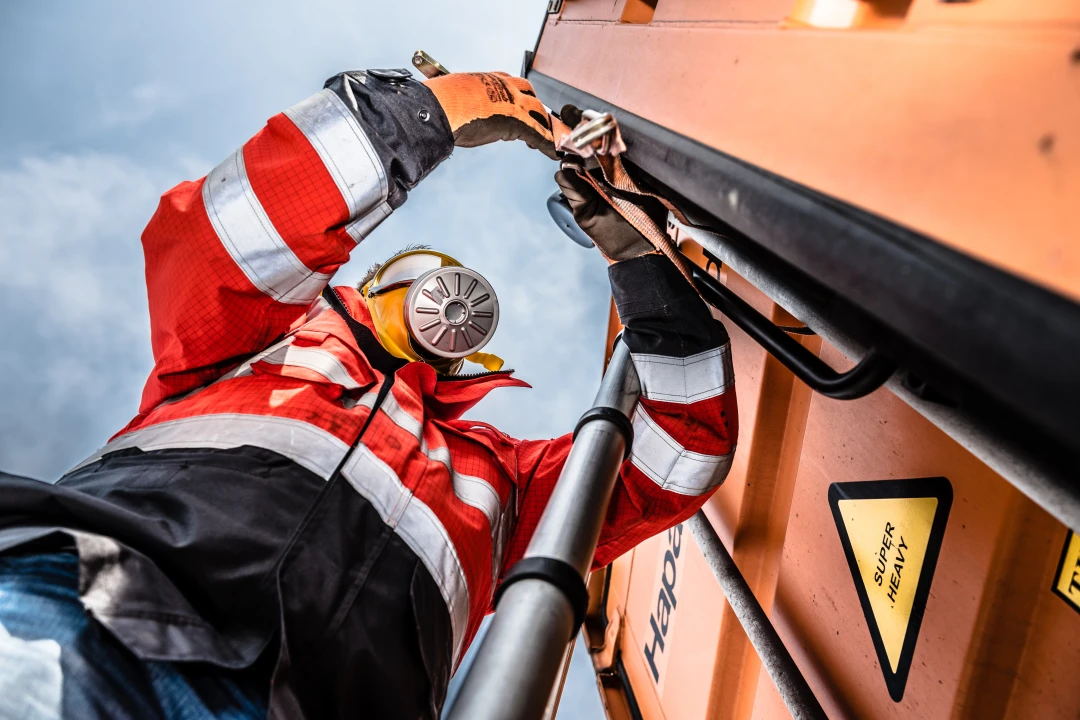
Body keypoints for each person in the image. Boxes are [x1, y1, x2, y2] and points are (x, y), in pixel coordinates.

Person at [0, 67, 738, 720]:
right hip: (89, 610)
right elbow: (228, 238)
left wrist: (641, 264)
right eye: (422, 273)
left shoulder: (499, 477)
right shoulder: (250, 347)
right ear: (373, 280)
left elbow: (673, 460)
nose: (447, 305)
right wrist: (421, 115)